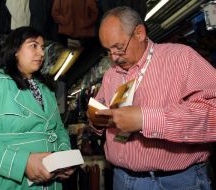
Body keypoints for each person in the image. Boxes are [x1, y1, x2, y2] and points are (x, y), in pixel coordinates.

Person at [88, 6, 216, 190]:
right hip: (122, 179)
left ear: (139, 33)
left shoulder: (181, 58)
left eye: (119, 47)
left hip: (176, 181)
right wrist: (96, 119)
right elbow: (101, 112)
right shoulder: (111, 75)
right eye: (108, 51)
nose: (114, 58)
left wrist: (145, 119)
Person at [0, 26, 73, 190]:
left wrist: (64, 157)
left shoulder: (47, 91)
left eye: (42, 48)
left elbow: (59, 130)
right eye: (33, 45)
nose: (42, 53)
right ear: (15, 50)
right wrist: (23, 163)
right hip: (5, 183)